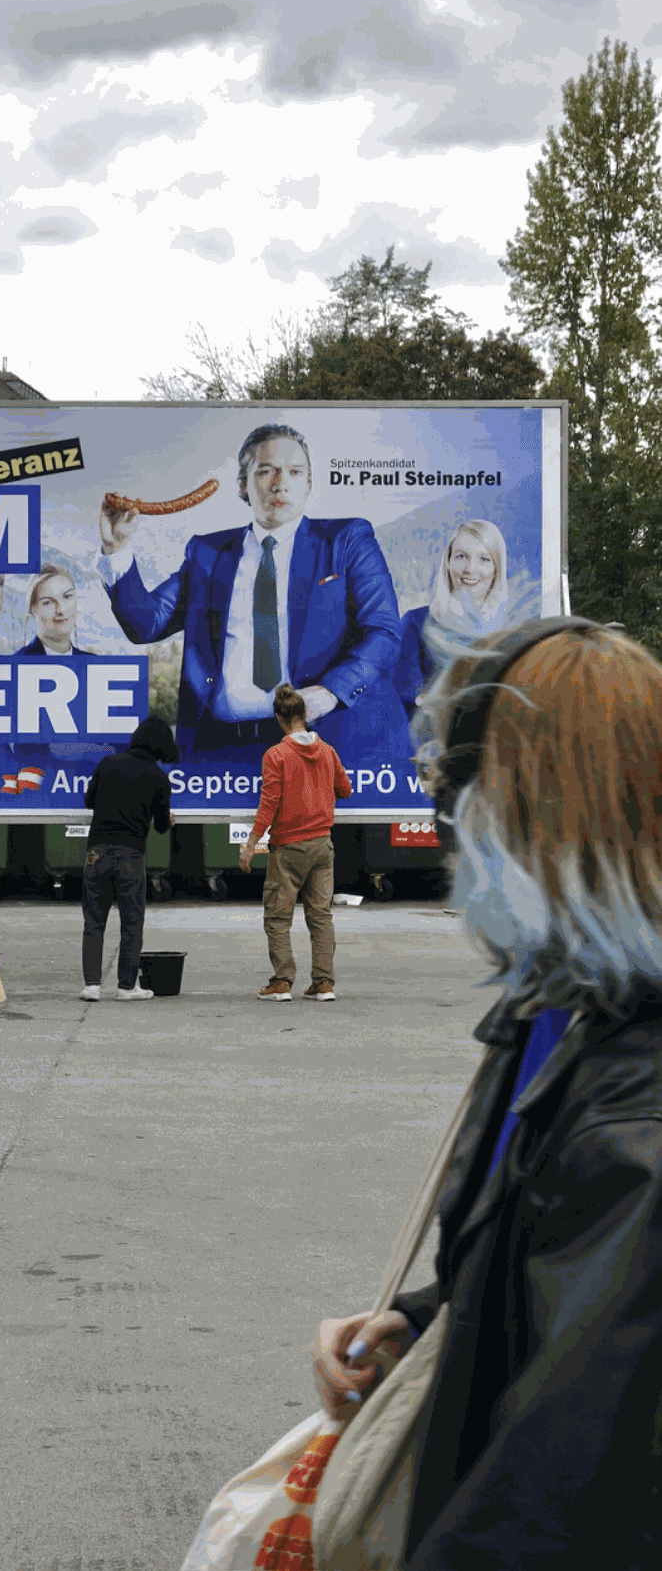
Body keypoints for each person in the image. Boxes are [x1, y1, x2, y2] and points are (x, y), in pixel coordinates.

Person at [312, 616, 662, 1567]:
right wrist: (427, 1317)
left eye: (450, 798)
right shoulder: (564, 999)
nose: (444, 840)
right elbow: (562, 1284)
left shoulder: (639, 1115)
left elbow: (561, 1503)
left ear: (522, 809)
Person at [97, 423, 406, 763]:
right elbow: (146, 624)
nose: (280, 482)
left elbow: (384, 631)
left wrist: (329, 691)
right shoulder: (207, 553)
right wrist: (117, 547)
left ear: (308, 484)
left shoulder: (346, 540)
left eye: (294, 471)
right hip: (218, 746)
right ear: (243, 486)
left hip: (314, 741)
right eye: (265, 471)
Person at [239, 682, 352, 1002]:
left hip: (288, 848)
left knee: (277, 917)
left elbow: (269, 803)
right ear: (305, 714)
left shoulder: (277, 754)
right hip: (322, 845)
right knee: (321, 916)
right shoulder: (328, 751)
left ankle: (282, 981)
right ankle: (324, 983)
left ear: (279, 718)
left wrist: (251, 844)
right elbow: (345, 790)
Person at [80, 715, 177, 1001]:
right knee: (131, 922)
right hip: (130, 854)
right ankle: (126, 986)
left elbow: (89, 801)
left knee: (94, 921)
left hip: (96, 852)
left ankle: (92, 986)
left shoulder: (109, 764)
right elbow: (160, 826)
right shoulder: (158, 777)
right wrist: (167, 819)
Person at [393, 518, 510, 714]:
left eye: (484, 559)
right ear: (447, 562)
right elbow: (403, 694)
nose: (470, 569)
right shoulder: (417, 622)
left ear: (496, 569)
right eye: (461, 556)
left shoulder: (512, 628)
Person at [15, 566, 93, 656]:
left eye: (67, 596)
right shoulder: (17, 663)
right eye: (47, 602)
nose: (61, 610)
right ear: (31, 610)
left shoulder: (93, 664)